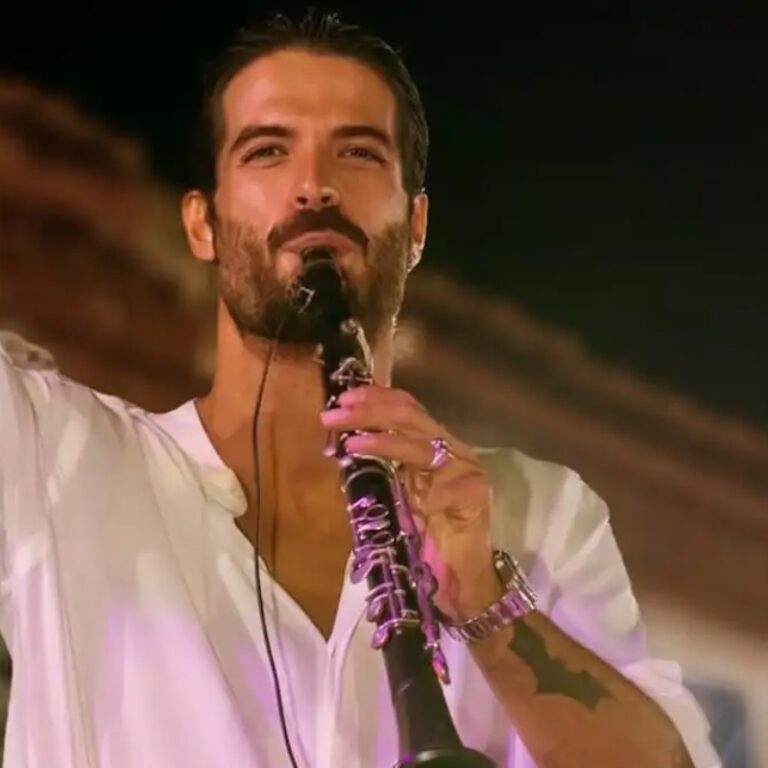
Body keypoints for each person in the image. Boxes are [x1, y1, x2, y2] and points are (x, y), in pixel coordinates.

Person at [0, 10, 721, 768]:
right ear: (202, 224)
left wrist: (482, 597)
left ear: (416, 227)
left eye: (359, 153)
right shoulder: (50, 455)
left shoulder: (544, 514)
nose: (314, 186)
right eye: (268, 151)